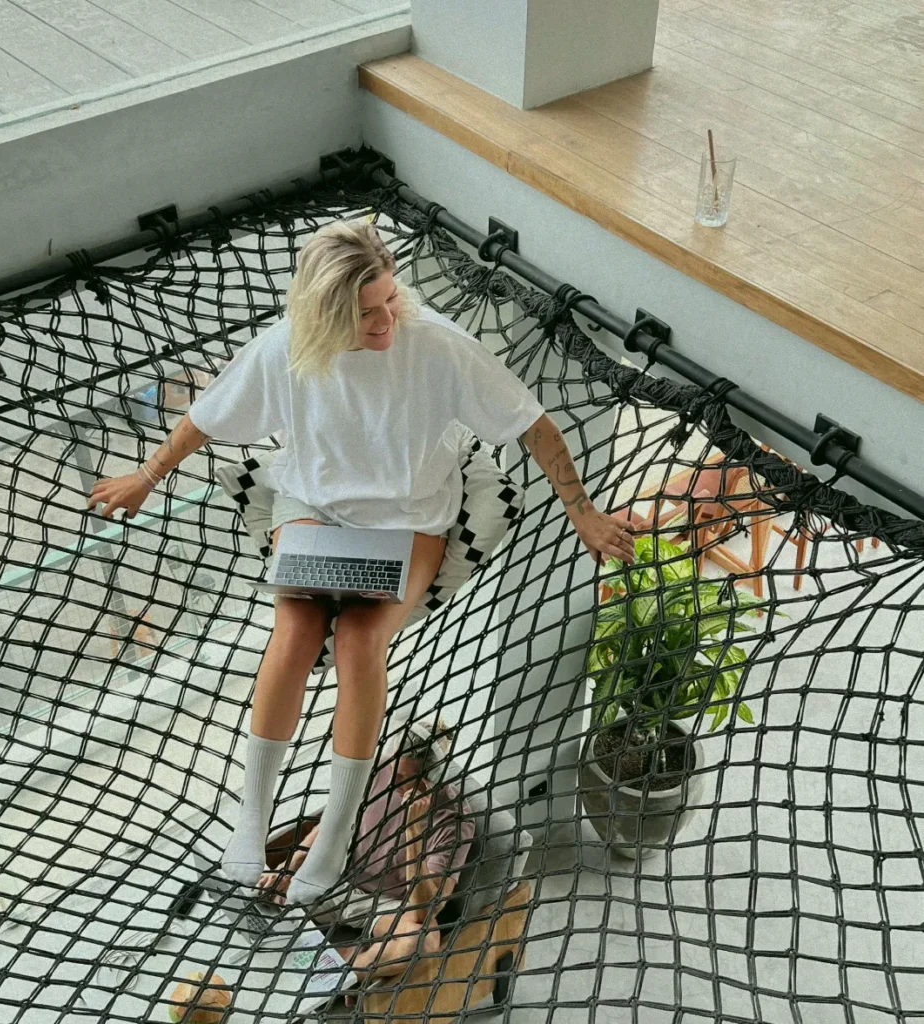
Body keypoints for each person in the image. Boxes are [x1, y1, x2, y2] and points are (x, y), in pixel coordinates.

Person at [86, 220, 635, 904]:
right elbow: (207, 415)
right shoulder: (287, 349)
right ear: (323, 313)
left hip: (408, 520)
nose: (385, 322)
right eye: (364, 313)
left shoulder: (434, 345)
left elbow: (534, 424)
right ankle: (251, 818)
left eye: (388, 301)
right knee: (293, 636)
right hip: (314, 507)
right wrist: (148, 475)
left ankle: (338, 830)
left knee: (359, 640)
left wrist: (583, 513)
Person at [257, 718, 473, 983]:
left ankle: (344, 975)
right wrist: (289, 868)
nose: (392, 780)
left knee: (424, 941)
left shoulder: (454, 820)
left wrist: (413, 830)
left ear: (430, 780)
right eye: (393, 769)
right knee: (261, 890)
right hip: (336, 876)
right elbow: (333, 820)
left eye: (403, 777)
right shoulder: (379, 766)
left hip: (383, 905)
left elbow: (423, 911)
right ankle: (340, 955)